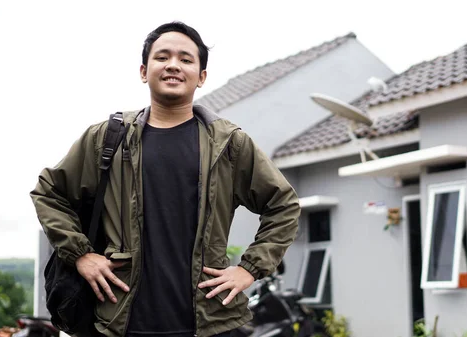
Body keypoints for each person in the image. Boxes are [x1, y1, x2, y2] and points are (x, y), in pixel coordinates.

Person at [30, 21, 300, 337]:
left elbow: (283, 205)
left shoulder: (229, 144)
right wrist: (81, 254)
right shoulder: (107, 139)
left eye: (186, 59)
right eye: (162, 57)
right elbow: (49, 192)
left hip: (208, 324)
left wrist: (248, 269)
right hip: (120, 322)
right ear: (144, 71)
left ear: (201, 77)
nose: (173, 65)